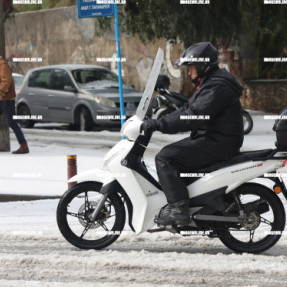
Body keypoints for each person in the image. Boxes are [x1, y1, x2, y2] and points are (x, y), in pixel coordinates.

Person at [141, 42, 244, 226]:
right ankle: (204, 201)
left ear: (202, 64)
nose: (189, 72)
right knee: (177, 156)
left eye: (191, 67)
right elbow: (189, 109)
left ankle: (178, 211)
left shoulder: (217, 86)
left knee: (165, 158)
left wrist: (159, 124)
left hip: (218, 142)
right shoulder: (212, 82)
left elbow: (194, 116)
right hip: (215, 139)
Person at [0, 56, 29, 154]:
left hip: (6, 98)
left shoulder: (2, 65)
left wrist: (0, 91)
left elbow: (6, 80)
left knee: (12, 122)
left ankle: (24, 146)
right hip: (2, 98)